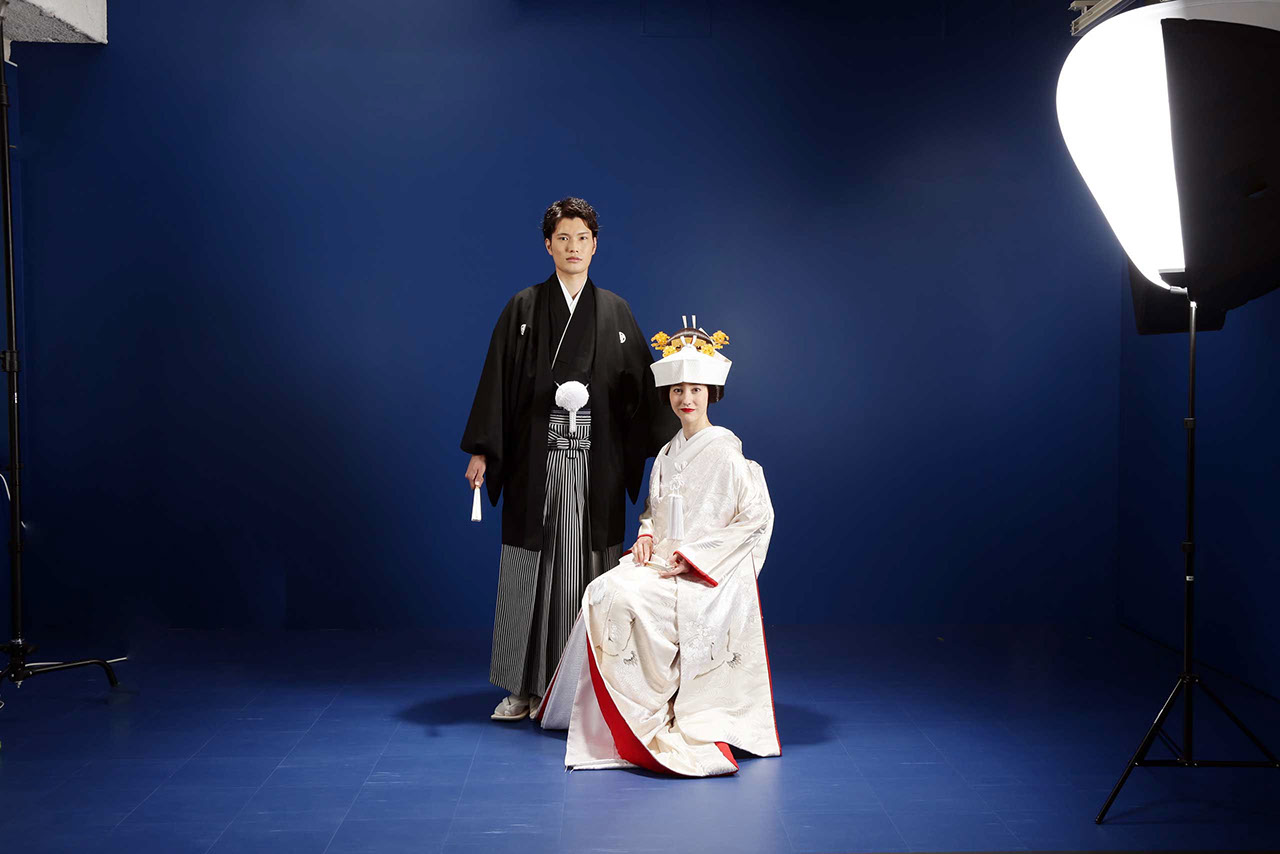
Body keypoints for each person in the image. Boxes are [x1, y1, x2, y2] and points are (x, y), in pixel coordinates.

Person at [461, 198, 675, 722]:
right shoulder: (523, 308)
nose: (573, 247)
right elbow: (497, 382)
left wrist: (680, 429)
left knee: (591, 570)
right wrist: (485, 449)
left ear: (595, 245)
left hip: (596, 465)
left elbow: (641, 391)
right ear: (548, 245)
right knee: (529, 568)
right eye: (563, 238)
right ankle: (523, 687)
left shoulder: (615, 312)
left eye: (582, 238)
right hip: (535, 460)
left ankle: (590, 689)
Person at [536, 322, 779, 776]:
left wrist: (696, 558)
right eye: (678, 390)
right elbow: (654, 509)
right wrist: (647, 534)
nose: (686, 399)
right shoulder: (667, 452)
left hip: (697, 571)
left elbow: (755, 518)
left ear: (711, 394)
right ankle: (615, 713)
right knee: (602, 589)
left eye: (696, 390)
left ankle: (639, 714)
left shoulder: (727, 453)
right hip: (662, 559)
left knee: (627, 597)